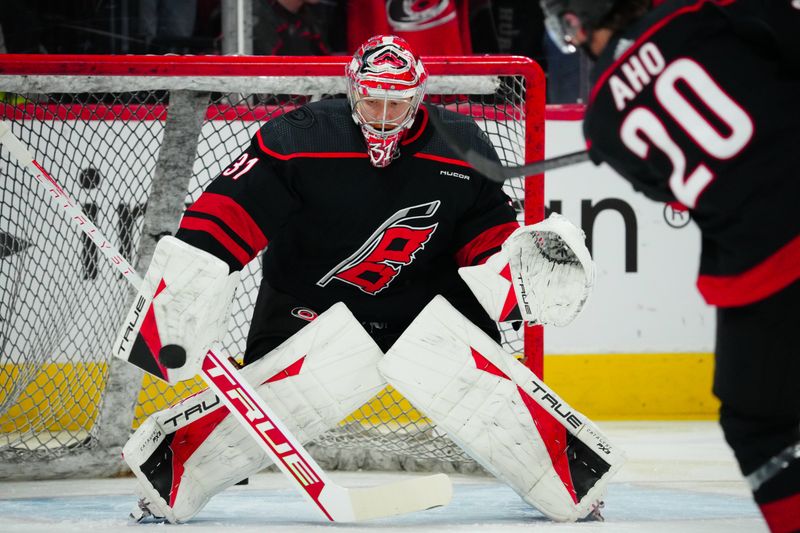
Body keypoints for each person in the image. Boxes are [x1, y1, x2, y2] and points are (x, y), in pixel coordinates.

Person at [120, 34, 608, 524]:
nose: (383, 114)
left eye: (397, 103)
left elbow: (485, 234)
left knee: (481, 392)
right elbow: (230, 211)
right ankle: (170, 472)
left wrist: (514, 275)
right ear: (352, 91)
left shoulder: (461, 144)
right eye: (373, 100)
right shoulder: (301, 136)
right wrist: (186, 285)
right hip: (309, 299)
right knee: (274, 404)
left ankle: (570, 479)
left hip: (425, 301)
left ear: (419, 99)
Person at [539, 1, 800, 531]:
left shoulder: (602, 124)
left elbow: (671, 191)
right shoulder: (704, 12)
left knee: (759, 425)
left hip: (762, 265)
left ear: (575, 21)